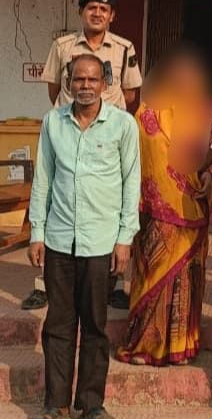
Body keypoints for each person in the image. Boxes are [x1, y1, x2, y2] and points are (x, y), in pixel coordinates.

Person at [28, 53, 141, 419]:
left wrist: (125, 238)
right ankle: (56, 403)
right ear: (68, 83)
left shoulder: (123, 125)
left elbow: (131, 183)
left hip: (101, 242)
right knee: (58, 325)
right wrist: (37, 233)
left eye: (93, 79)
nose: (86, 86)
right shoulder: (53, 122)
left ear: (105, 83)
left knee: (95, 325)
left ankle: (91, 404)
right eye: (79, 79)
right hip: (59, 240)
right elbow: (43, 179)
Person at [23, 0, 143, 311]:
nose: (97, 13)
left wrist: (106, 117)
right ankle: (44, 284)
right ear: (81, 12)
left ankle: (113, 283)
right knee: (56, 195)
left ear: (112, 15)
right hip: (69, 131)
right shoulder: (62, 46)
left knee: (109, 202)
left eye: (104, 9)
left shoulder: (124, 48)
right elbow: (54, 89)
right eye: (91, 8)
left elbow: (130, 93)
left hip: (107, 135)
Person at [116, 44, 212, 366]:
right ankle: (143, 345)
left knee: (187, 280)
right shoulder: (145, 113)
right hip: (153, 214)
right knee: (151, 280)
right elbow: (131, 162)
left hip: (193, 210)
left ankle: (181, 346)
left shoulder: (211, 113)